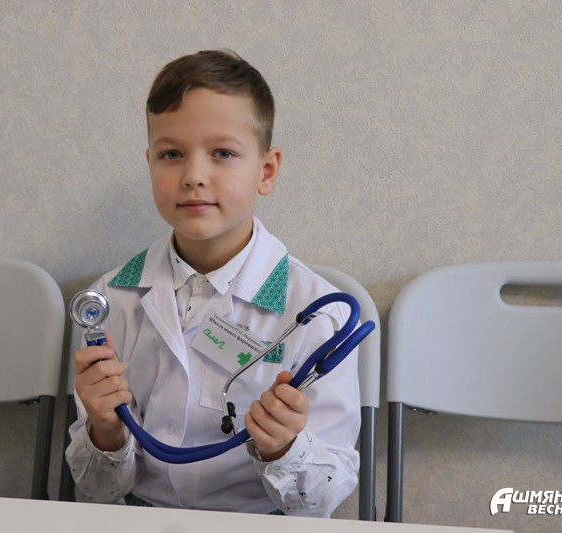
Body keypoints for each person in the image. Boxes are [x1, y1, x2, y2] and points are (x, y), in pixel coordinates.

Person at [66, 49, 360, 517]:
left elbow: (323, 502)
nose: (193, 177)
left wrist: (283, 448)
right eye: (171, 154)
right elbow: (98, 492)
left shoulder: (319, 313)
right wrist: (105, 430)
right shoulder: (111, 299)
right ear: (149, 162)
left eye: (223, 153)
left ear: (266, 171)